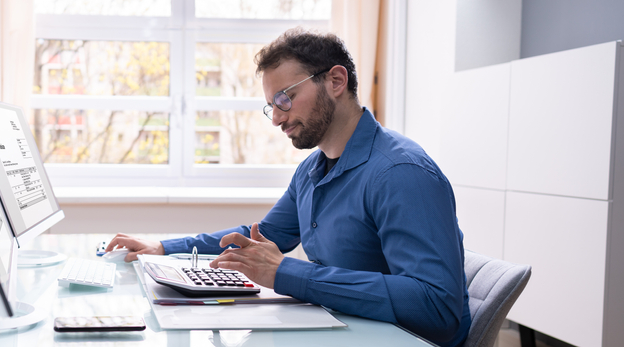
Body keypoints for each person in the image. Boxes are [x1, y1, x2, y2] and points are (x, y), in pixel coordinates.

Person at [105, 27, 471, 347]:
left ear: (336, 81)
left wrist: (286, 273)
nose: (278, 117)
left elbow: (438, 307)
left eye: (285, 98)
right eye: (271, 106)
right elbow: (259, 238)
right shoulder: (312, 170)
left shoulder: (400, 173)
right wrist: (163, 247)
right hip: (349, 327)